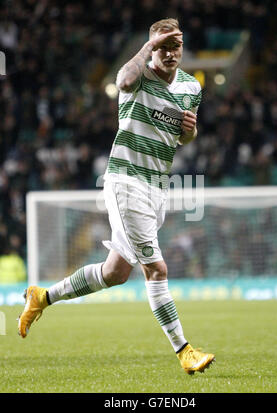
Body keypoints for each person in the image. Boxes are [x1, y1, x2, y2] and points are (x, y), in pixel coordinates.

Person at [18, 18, 215, 375]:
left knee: (115, 272)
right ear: (152, 48)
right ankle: (184, 351)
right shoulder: (136, 76)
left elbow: (183, 137)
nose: (171, 53)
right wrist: (148, 42)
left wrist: (191, 131)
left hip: (157, 187)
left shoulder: (190, 87)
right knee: (156, 269)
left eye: (177, 45)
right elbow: (121, 80)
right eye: (163, 46)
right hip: (126, 182)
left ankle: (42, 297)